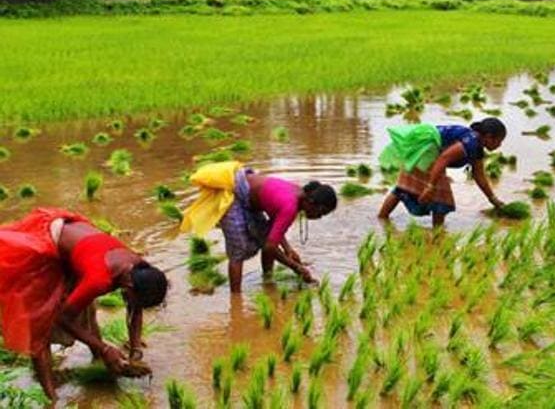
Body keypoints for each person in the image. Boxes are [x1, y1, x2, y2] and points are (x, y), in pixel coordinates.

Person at [0, 208, 168, 401]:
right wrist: (106, 348)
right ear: (129, 285)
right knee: (41, 325)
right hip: (47, 243)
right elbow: (63, 318)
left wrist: (135, 350)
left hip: (77, 241)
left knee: (86, 308)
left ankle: (98, 359)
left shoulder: (138, 268)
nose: (132, 305)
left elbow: (135, 309)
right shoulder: (100, 279)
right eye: (133, 299)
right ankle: (51, 397)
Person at [180, 161, 337, 293]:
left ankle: (267, 279)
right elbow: (270, 247)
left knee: (266, 237)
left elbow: (275, 229)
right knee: (238, 252)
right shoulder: (290, 206)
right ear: (311, 202)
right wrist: (295, 268)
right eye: (321, 212)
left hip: (248, 194)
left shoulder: (297, 195)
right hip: (235, 194)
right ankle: (236, 298)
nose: (319, 217)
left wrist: (288, 250)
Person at [378, 118, 507, 226]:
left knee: (404, 188)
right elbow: (443, 159)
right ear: (489, 137)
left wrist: (493, 199)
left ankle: (381, 220)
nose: (500, 145)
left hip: (427, 152)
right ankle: (437, 236)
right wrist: (430, 186)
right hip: (427, 153)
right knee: (441, 198)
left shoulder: (477, 148)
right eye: (499, 141)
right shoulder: (470, 142)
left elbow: (479, 176)